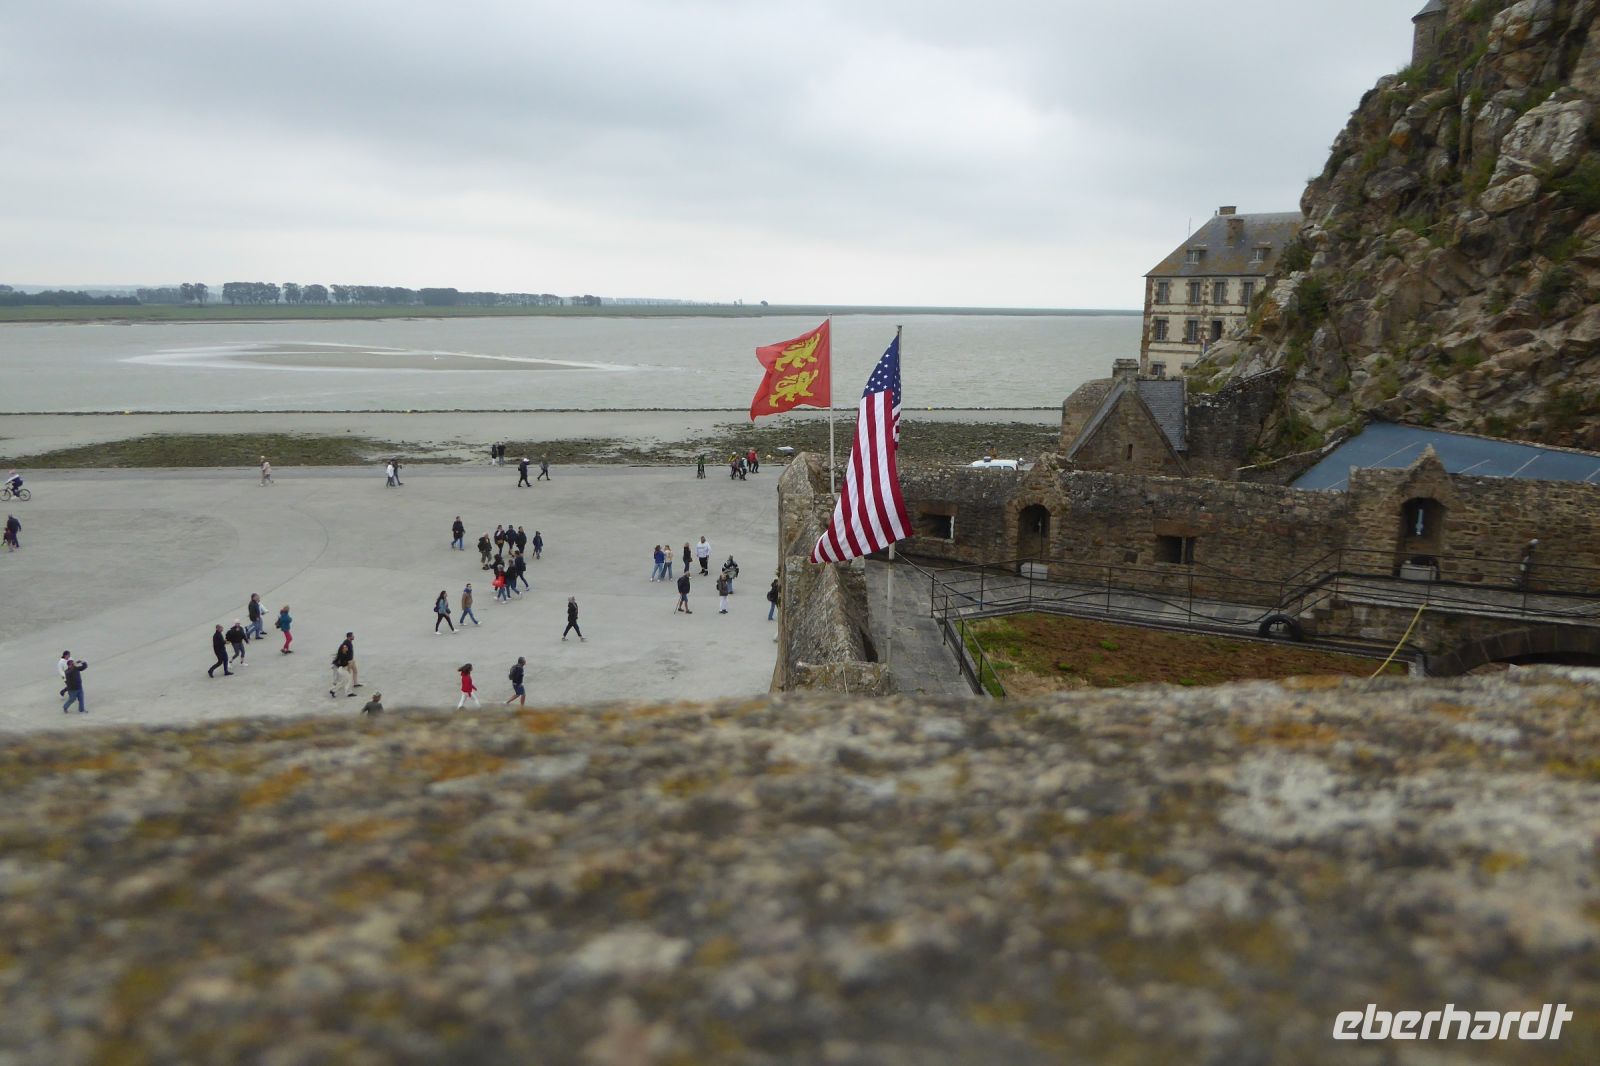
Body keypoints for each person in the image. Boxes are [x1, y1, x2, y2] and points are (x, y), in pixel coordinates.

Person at [331, 633, 356, 697]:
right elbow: (344, 663)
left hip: (342, 669)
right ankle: (349, 693)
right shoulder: (343, 656)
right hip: (342, 669)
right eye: (345, 648)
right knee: (348, 679)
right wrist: (349, 666)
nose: (346, 648)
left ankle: (333, 690)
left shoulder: (344, 654)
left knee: (344, 681)